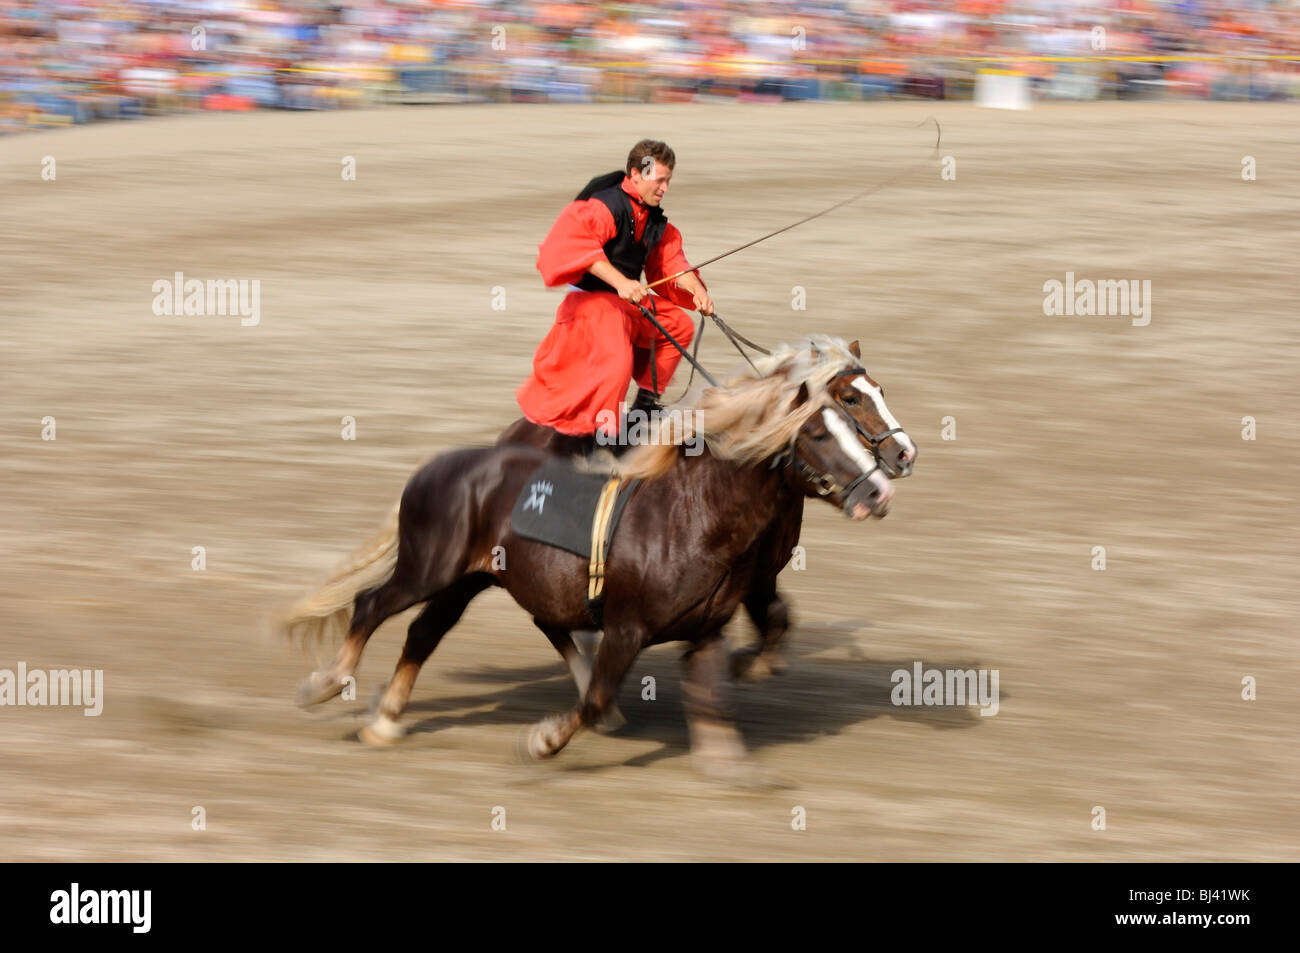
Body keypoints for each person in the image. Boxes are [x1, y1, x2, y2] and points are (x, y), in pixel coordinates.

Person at [508, 139, 714, 453]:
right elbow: (578, 245)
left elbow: (672, 263)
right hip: (591, 303)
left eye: (668, 181)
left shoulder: (653, 220)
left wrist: (697, 291)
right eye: (660, 180)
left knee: (678, 325)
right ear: (636, 174)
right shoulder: (605, 206)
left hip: (627, 303)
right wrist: (620, 282)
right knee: (617, 361)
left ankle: (645, 408)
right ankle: (602, 437)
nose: (665, 189)